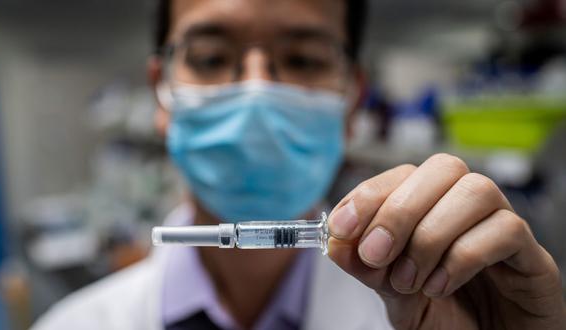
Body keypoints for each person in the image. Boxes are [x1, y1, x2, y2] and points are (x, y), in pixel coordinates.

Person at [32, 0, 566, 329]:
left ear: (352, 99)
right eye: (213, 58)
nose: (257, 91)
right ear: (161, 95)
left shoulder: (435, 312)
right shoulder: (73, 325)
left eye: (303, 60)